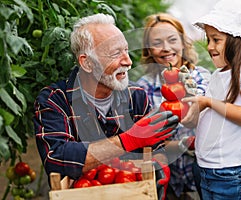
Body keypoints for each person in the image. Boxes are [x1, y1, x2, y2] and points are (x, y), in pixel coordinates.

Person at [33, 13, 179, 199]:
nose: (128, 61)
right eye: (116, 53)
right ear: (87, 63)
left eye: (126, 50)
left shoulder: (136, 95)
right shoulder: (55, 100)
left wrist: (160, 165)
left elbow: (155, 147)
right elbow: (56, 157)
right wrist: (129, 140)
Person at [181, 0, 241, 199]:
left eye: (216, 39)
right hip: (209, 171)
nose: (209, 46)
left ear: (238, 39)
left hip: (230, 175)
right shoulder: (219, 74)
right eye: (208, 40)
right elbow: (216, 116)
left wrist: (207, 102)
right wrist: (193, 114)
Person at [136, 13, 211, 199]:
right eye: (157, 43)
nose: (166, 48)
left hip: (203, 178)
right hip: (164, 182)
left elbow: (206, 125)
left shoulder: (202, 78)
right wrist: (182, 145)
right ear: (148, 50)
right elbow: (144, 141)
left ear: (183, 43)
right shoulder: (142, 88)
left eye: (172, 40)